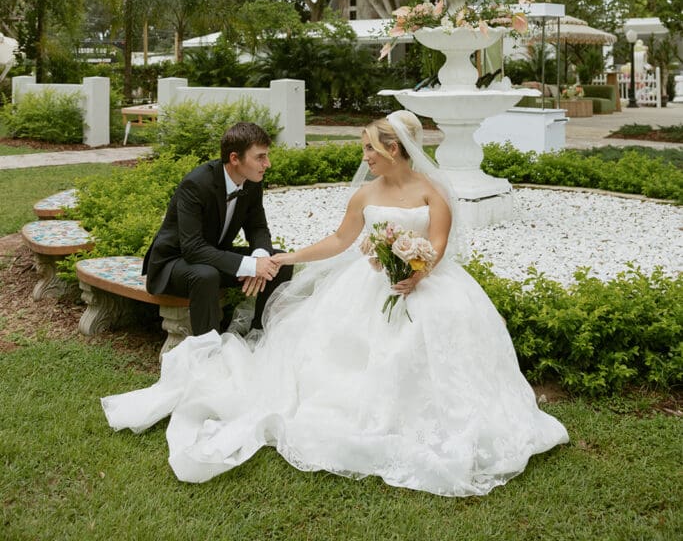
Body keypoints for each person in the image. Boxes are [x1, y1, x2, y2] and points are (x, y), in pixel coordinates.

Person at [103, 110, 568, 497]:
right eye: (364, 147)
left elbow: (440, 242)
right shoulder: (364, 194)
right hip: (365, 285)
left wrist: (417, 270)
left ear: (395, 149)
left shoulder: (432, 191)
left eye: (370, 148)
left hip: (431, 285)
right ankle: (218, 342)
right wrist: (286, 256)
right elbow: (342, 240)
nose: (363, 156)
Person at [142, 121, 293, 334]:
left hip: (213, 257)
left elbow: (258, 227)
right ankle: (209, 351)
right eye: (260, 157)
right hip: (174, 263)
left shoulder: (252, 182)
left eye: (266, 156)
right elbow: (192, 248)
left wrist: (260, 259)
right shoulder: (196, 184)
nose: (267, 163)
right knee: (206, 275)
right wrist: (250, 266)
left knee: (279, 261)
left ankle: (259, 335)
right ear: (234, 158)